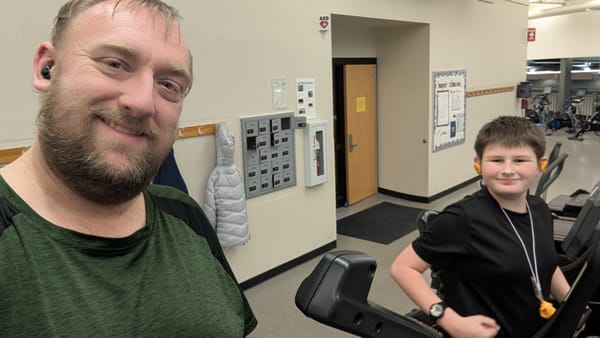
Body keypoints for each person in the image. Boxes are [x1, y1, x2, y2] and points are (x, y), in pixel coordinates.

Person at [0, 0, 257, 336]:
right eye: (115, 64)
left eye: (169, 85)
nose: (143, 102)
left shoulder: (185, 216)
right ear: (47, 67)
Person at [390, 116, 571, 337]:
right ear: (478, 165)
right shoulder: (462, 219)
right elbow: (403, 268)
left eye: (520, 160)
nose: (507, 169)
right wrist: (451, 321)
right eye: (496, 160)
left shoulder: (540, 210)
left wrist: (573, 307)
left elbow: (544, 264)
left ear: (540, 165)